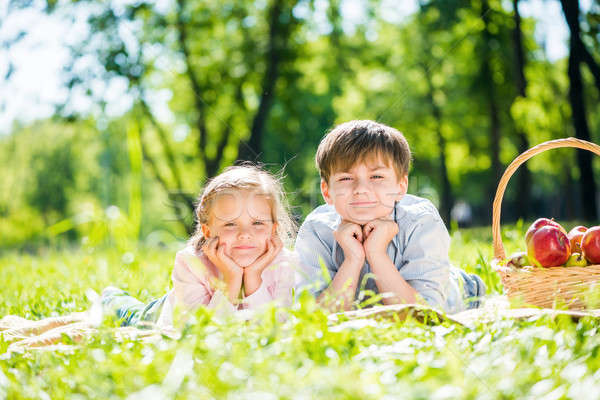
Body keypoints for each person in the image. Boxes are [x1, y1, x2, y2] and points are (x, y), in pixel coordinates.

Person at [294, 120, 485, 313]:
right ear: (326, 192)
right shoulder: (316, 230)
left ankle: (468, 283)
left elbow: (422, 316)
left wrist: (376, 253)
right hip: (367, 307)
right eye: (346, 178)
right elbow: (316, 317)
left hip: (445, 295)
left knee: (457, 287)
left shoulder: (420, 221)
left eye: (376, 177)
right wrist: (353, 259)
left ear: (401, 187)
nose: (361, 189)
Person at [102, 164, 299, 327]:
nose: (245, 235)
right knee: (134, 315)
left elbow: (275, 328)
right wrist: (231, 280)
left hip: (189, 301)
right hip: (167, 314)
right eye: (230, 224)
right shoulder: (191, 263)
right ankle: (111, 297)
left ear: (274, 228)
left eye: (258, 223)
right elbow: (202, 334)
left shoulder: (285, 264)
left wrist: (253, 279)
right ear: (207, 231)